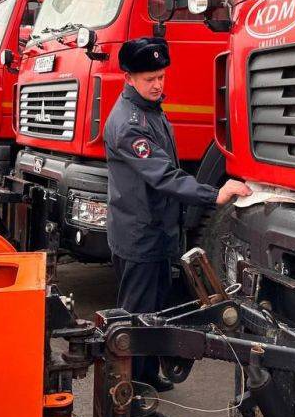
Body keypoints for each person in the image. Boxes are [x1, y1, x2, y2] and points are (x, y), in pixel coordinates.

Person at [104, 36, 252, 391]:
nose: (157, 85)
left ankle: (146, 375)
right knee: (136, 317)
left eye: (161, 76)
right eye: (148, 79)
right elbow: (164, 176)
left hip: (156, 230)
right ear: (129, 78)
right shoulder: (130, 124)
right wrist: (214, 193)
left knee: (155, 310)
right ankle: (131, 391)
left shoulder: (150, 110)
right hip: (139, 235)